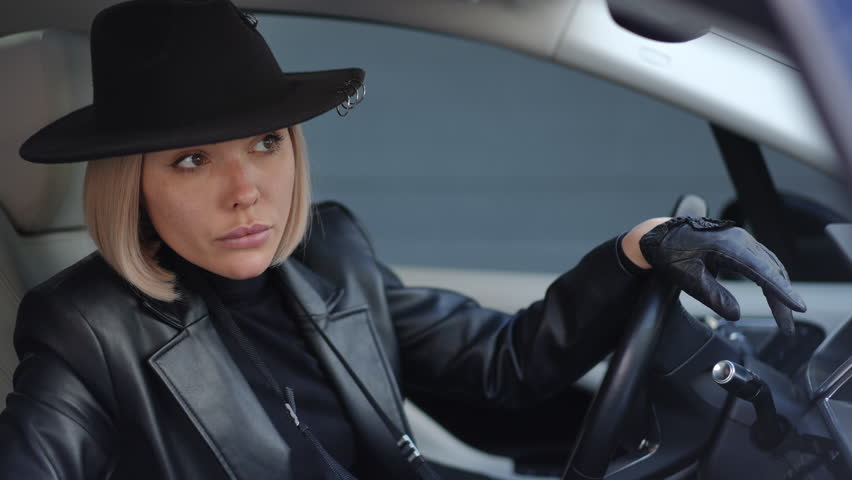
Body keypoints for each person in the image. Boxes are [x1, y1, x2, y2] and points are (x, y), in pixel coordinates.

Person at [0, 0, 806, 479]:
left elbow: (504, 366)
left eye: (265, 143)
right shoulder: (83, 328)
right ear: (131, 184)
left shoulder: (330, 253)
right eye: (191, 159)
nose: (247, 189)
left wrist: (638, 248)